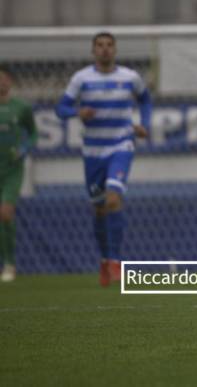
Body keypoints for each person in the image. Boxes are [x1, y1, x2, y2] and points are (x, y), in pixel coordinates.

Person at [56, 33, 151, 287]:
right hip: (93, 152)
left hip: (121, 145)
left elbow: (145, 99)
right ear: (93, 50)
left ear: (116, 49)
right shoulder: (82, 78)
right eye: (100, 45)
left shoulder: (129, 77)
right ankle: (105, 260)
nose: (105, 50)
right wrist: (77, 112)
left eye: (109, 45)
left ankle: (116, 262)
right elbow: (60, 108)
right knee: (99, 209)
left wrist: (145, 124)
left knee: (113, 198)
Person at [0, 66, 37, 283]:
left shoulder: (21, 108)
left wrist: (24, 148)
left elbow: (32, 133)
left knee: (5, 213)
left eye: (5, 79)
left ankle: (10, 264)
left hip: (12, 169)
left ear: (11, 82)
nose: (1, 83)